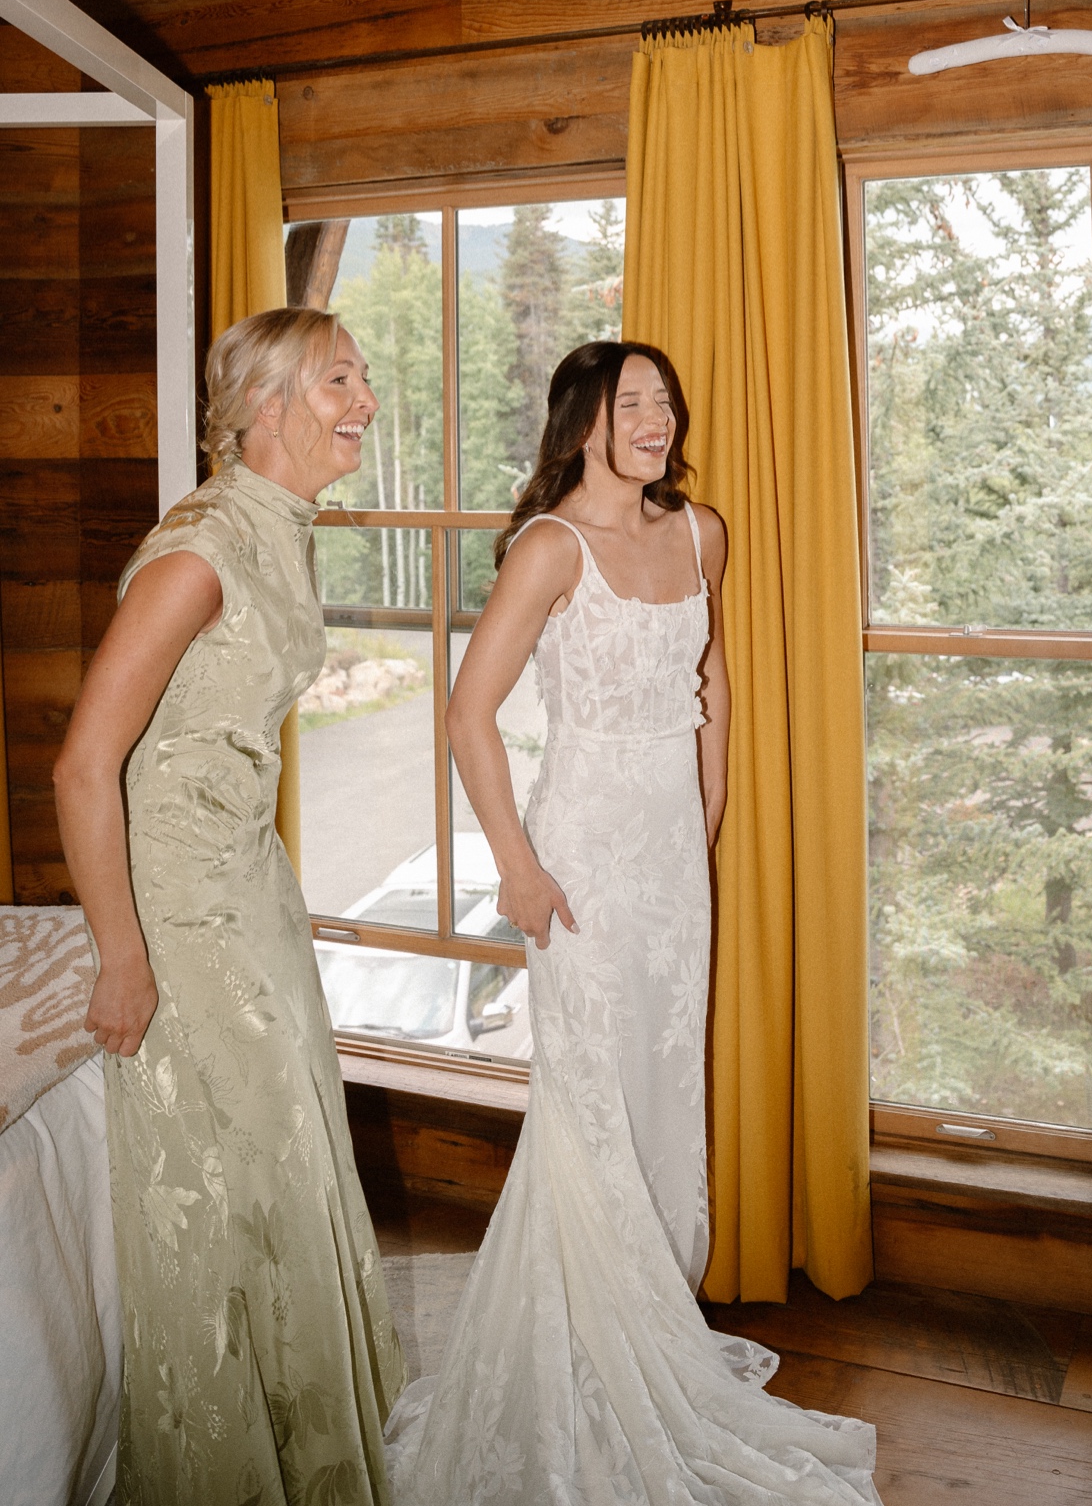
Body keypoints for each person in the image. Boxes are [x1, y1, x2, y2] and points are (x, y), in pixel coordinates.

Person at [385, 339, 880, 1504]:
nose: (656, 418)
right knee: (589, 1101)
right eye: (632, 401)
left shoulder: (702, 532)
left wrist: (701, 827)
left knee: (665, 1092)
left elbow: (707, 692)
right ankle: (588, 1361)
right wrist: (515, 864)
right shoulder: (550, 548)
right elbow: (468, 714)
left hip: (670, 857)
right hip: (581, 857)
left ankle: (656, 1329)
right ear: (583, 421)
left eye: (664, 399)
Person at [53, 307, 406, 1506]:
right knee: (237, 1175)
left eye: (362, 375)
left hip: (252, 879)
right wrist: (119, 954)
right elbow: (82, 761)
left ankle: (304, 1441)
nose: (365, 396)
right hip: (183, 903)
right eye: (340, 378)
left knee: (292, 1149)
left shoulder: (280, 526)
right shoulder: (200, 549)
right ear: (267, 407)